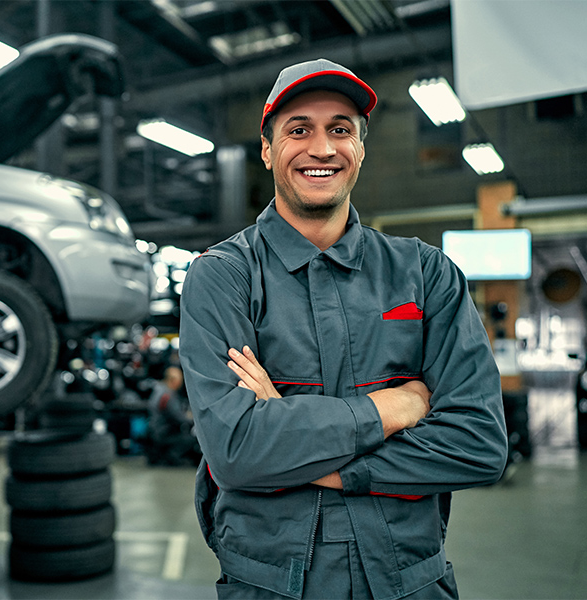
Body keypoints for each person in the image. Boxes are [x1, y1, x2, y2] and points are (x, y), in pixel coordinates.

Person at [179, 58, 508, 599]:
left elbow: (478, 443)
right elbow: (235, 449)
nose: (323, 148)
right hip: (270, 586)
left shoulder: (426, 275)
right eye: (298, 129)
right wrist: (395, 408)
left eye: (340, 129)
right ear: (267, 150)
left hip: (410, 582)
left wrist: (310, 455)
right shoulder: (224, 277)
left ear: (360, 148)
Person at [146, 366, 199, 465]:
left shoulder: (159, 390)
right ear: (174, 380)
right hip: (164, 433)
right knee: (194, 438)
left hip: (155, 430)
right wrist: (194, 420)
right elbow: (178, 417)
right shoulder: (168, 395)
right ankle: (173, 456)